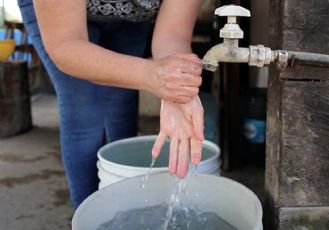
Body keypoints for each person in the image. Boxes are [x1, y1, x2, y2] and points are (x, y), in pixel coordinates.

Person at [18, 0, 205, 209]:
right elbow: (65, 43)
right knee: (83, 108)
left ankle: (125, 206)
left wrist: (178, 86)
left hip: (131, 15)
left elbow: (173, 35)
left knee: (122, 100)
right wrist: (151, 75)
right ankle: (88, 213)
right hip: (61, 19)